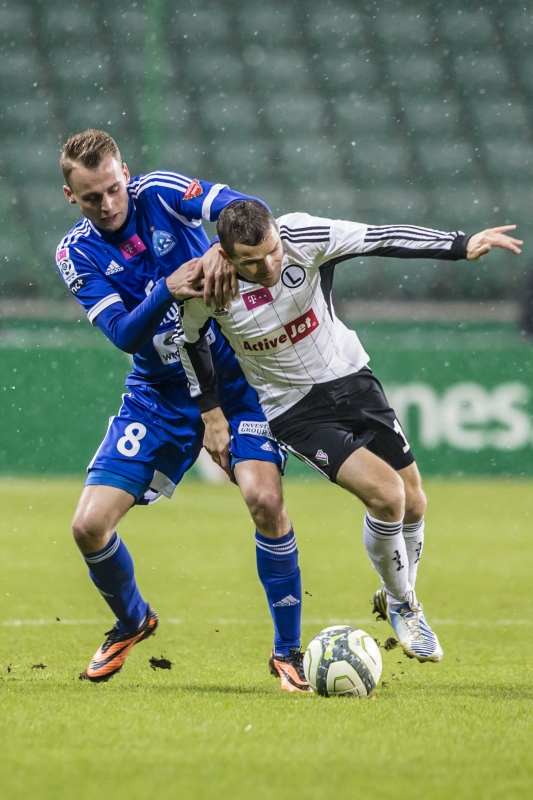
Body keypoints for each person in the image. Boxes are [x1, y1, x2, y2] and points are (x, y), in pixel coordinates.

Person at [175, 199, 522, 663]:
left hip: (352, 378)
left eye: (273, 252)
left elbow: (379, 237)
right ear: (226, 255)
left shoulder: (303, 237)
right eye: (251, 262)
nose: (269, 266)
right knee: (387, 495)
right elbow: (190, 341)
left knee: (415, 500)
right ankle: (403, 605)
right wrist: (211, 414)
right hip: (294, 409)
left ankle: (397, 591)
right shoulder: (206, 286)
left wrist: (459, 245)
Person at [55, 131, 310, 692]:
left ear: (126, 172)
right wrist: (167, 290)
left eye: (114, 188)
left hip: (235, 379)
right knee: (88, 527)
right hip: (158, 393)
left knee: (265, 501)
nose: (109, 204)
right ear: (71, 196)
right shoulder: (75, 253)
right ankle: (132, 621)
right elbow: (124, 334)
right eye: (92, 197)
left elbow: (246, 208)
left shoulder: (162, 192)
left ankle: (287, 651)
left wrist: (220, 246)